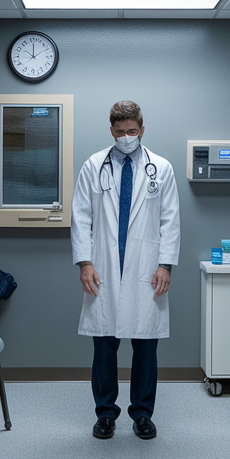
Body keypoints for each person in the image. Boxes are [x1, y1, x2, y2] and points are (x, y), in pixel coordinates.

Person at [71, 100, 180, 440]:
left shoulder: (160, 168)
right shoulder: (94, 165)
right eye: (120, 132)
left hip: (146, 268)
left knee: (145, 344)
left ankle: (142, 414)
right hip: (103, 266)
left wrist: (165, 265)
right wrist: (85, 263)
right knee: (105, 344)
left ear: (142, 130)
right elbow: (81, 217)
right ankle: (105, 414)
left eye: (132, 131)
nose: (127, 137)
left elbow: (170, 219)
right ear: (111, 131)